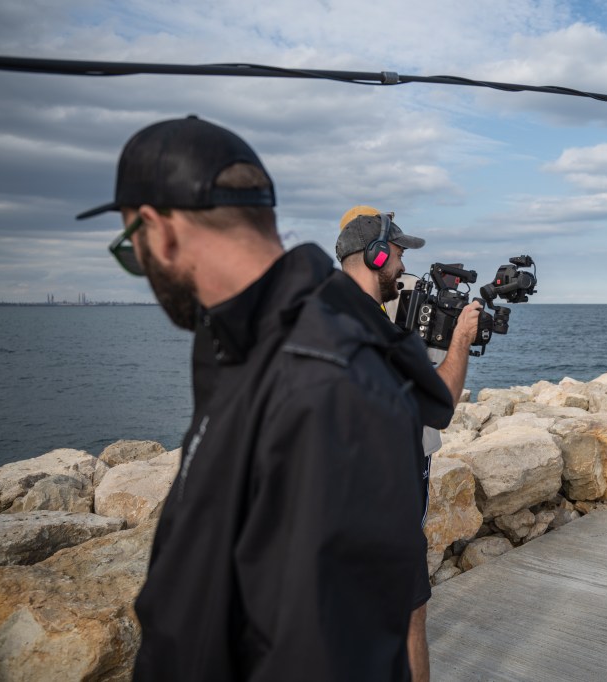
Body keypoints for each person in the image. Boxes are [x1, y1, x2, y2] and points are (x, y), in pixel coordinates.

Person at [79, 115, 455, 680]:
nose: (143, 270)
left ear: (160, 230)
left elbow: (326, 650)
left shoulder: (322, 381)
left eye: (132, 250)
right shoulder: (236, 341)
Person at [334, 205, 481, 682]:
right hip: (382, 499)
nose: (401, 267)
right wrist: (461, 339)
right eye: (397, 256)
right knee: (410, 612)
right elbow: (440, 405)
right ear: (376, 256)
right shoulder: (374, 331)